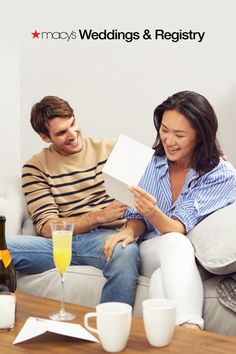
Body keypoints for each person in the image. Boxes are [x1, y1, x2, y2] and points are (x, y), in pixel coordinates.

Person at [102, 90, 236, 329]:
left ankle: (174, 339)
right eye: (164, 130)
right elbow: (137, 216)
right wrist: (130, 231)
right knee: (174, 243)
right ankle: (192, 331)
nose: (169, 141)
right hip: (151, 249)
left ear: (200, 136)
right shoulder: (151, 163)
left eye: (179, 134)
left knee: (162, 277)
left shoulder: (221, 175)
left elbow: (178, 227)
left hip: (187, 255)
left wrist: (152, 212)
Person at [6, 95, 140, 306]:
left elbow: (142, 198)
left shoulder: (112, 149)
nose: (73, 134)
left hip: (105, 239)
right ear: (45, 137)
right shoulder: (36, 167)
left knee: (124, 251)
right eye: (61, 132)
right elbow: (48, 228)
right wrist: (98, 216)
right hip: (59, 242)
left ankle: (111, 331)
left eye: (73, 124)